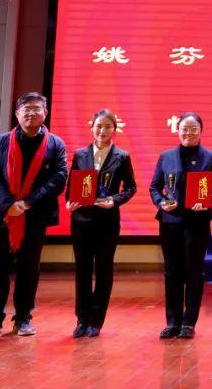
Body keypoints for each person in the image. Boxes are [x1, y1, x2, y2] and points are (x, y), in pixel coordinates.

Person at [0, 92, 68, 338]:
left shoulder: (55, 144)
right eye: (26, 109)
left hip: (35, 215)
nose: (31, 113)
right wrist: (9, 204)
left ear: (45, 113)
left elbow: (59, 178)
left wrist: (27, 203)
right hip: (3, 215)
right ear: (17, 114)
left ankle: (23, 318)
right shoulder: (0, 142)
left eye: (36, 109)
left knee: (29, 269)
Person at [148, 112, 212, 339]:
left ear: (201, 131)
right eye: (184, 129)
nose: (188, 133)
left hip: (198, 222)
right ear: (177, 130)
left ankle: (189, 322)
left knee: (193, 271)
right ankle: (172, 321)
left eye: (193, 129)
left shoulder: (211, 157)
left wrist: (206, 199)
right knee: (172, 271)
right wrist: (161, 202)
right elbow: (154, 187)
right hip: (170, 222)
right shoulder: (166, 156)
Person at [65, 109, 137, 338]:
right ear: (91, 127)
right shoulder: (80, 154)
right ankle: (82, 319)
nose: (102, 131)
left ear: (114, 129)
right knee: (82, 270)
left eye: (107, 126)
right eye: (98, 126)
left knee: (104, 270)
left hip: (107, 221)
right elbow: (71, 184)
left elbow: (131, 188)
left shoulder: (122, 156)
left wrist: (114, 200)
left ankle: (96, 320)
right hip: (81, 220)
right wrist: (69, 202)